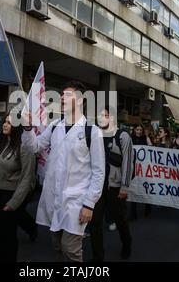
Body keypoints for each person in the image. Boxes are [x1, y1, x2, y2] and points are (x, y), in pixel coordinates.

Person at [21, 81, 105, 262]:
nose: (61, 98)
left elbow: (99, 172)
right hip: (54, 198)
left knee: (70, 249)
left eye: (68, 95)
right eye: (61, 95)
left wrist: (89, 204)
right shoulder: (54, 126)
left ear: (81, 100)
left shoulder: (92, 131)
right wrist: (28, 128)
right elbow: (34, 147)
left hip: (77, 200)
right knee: (57, 247)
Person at [0, 111, 36, 262]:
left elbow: (27, 178)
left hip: (12, 195)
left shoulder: (25, 147)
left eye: (9, 122)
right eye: (4, 121)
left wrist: (13, 203)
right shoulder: (1, 143)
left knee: (6, 236)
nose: (4, 124)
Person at [89, 106, 133, 262]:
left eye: (105, 115)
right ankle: (97, 258)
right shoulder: (95, 135)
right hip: (98, 186)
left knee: (120, 219)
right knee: (94, 222)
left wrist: (124, 186)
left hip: (115, 187)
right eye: (100, 115)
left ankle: (127, 243)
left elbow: (128, 163)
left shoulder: (122, 137)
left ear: (112, 118)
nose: (101, 118)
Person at [129, 124, 153, 220]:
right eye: (137, 129)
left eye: (140, 130)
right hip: (133, 167)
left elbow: (151, 148)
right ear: (134, 130)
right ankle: (133, 213)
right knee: (133, 188)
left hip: (144, 168)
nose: (138, 131)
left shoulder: (145, 138)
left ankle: (148, 208)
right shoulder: (130, 138)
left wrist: (146, 136)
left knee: (145, 187)